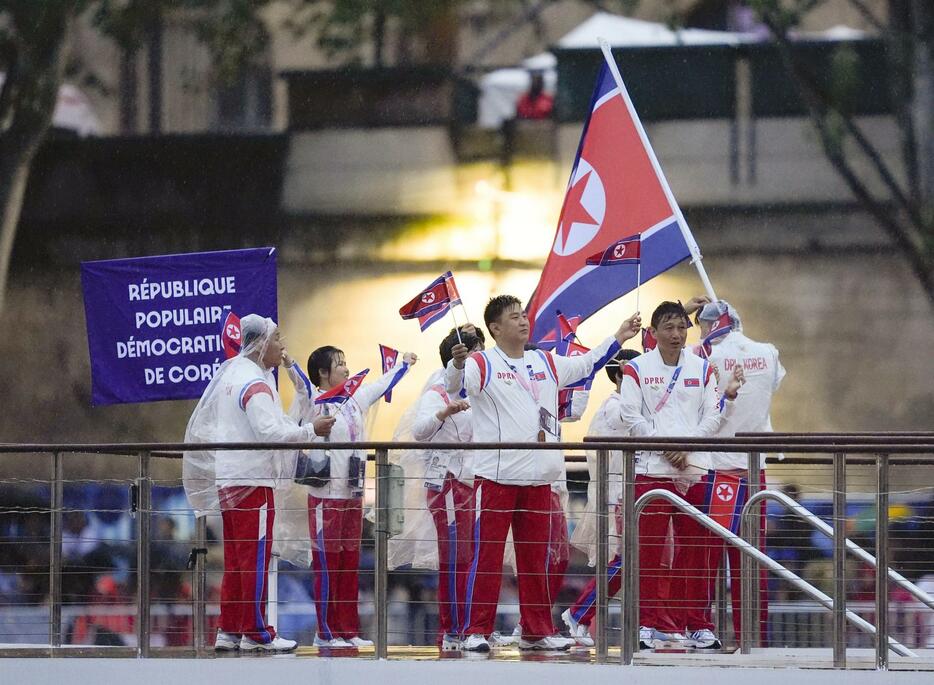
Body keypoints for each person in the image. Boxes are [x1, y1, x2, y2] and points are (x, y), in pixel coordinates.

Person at [445, 294, 641, 652]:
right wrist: (456, 366)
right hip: (497, 478)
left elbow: (586, 365)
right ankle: (475, 631)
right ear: (495, 328)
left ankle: (536, 631)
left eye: (524, 315)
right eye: (514, 317)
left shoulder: (545, 361)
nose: (523, 321)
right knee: (488, 558)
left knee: (536, 559)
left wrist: (619, 337)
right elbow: (454, 387)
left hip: (540, 477)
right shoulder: (481, 362)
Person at [183, 314, 334, 653]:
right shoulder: (255, 383)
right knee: (256, 558)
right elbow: (271, 433)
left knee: (238, 558)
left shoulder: (230, 376)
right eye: (277, 338)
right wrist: (312, 430)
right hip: (253, 480)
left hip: (230, 478)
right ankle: (256, 631)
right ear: (262, 344)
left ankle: (229, 629)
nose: (283, 346)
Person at [613, 301, 740, 650]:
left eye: (682, 327)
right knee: (649, 552)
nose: (676, 334)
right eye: (668, 327)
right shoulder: (635, 369)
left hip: (694, 469)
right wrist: (665, 446)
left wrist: (686, 447)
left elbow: (714, 413)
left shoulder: (702, 368)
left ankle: (697, 623)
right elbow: (630, 416)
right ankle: (646, 623)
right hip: (652, 470)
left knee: (698, 551)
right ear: (652, 333)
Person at [294, 343, 416, 648]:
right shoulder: (314, 400)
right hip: (325, 496)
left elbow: (379, 386)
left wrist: (404, 365)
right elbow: (299, 383)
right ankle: (325, 632)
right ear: (323, 373)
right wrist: (287, 363)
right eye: (340, 364)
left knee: (349, 564)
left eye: (346, 362)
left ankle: (347, 631)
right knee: (327, 565)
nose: (347, 369)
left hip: (352, 493)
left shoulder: (352, 400)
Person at [695, 299, 785, 645]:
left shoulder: (705, 356)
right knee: (752, 559)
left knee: (709, 557)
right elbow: (771, 387)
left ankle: (702, 631)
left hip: (718, 470)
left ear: (708, 326)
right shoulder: (768, 352)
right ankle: (754, 638)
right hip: (755, 469)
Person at [409, 326, 484, 650]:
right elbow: (419, 431)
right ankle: (452, 629)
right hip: (447, 484)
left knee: (470, 557)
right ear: (460, 357)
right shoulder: (437, 391)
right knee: (454, 558)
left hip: (470, 482)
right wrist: (444, 412)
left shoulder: (477, 390)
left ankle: (467, 625)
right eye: (477, 352)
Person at [563, 347, 641, 645]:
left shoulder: (626, 405)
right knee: (624, 561)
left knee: (635, 562)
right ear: (622, 373)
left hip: (633, 495)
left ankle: (583, 614)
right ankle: (579, 612)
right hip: (620, 498)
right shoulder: (615, 408)